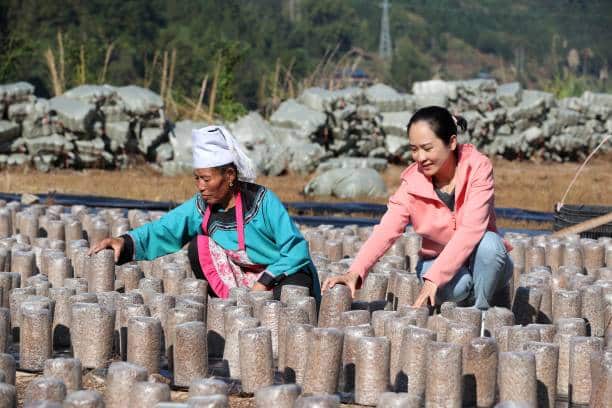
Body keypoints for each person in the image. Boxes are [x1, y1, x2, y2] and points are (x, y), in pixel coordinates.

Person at [91, 125, 319, 300]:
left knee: (292, 296)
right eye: (197, 178)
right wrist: (125, 242)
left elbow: (297, 250)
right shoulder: (202, 206)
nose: (200, 186)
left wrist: (264, 282)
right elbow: (166, 228)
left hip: (283, 272)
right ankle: (234, 308)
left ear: (229, 176)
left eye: (206, 179)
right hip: (247, 278)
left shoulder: (262, 202)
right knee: (199, 246)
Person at [323, 106, 512, 310]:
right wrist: (355, 272)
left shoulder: (478, 167)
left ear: (452, 142)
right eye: (414, 149)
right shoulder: (413, 183)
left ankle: (480, 312)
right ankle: (465, 299)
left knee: (491, 246)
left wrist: (435, 279)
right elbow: (387, 229)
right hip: (435, 260)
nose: (420, 157)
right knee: (459, 288)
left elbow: (472, 229)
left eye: (427, 148)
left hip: (480, 257)